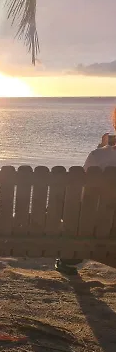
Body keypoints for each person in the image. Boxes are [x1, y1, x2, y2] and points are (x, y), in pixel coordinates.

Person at [55, 107, 116, 275]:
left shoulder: (98, 156)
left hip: (99, 227)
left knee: (71, 204)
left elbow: (83, 193)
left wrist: (101, 149)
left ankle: (70, 259)